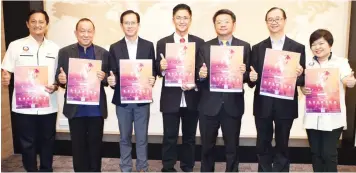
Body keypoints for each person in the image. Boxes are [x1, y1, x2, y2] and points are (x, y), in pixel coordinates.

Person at [1, 10, 59, 172]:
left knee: (48, 140)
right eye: (33, 21)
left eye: (41, 22)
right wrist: (5, 77)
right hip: (24, 104)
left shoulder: (55, 48)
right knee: (27, 142)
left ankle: (46, 169)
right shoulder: (15, 45)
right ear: (27, 24)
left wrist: (55, 85)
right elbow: (6, 69)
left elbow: (58, 76)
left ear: (47, 25)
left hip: (48, 104)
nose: (37, 25)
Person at [248, 7, 305, 172]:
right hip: (263, 103)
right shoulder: (257, 47)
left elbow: (302, 78)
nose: (274, 22)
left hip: (286, 104)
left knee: (282, 143)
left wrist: (299, 75)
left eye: (277, 19)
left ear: (285, 21)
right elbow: (252, 78)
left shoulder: (297, 47)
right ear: (266, 23)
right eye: (270, 19)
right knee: (262, 142)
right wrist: (251, 78)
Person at [196, 9, 251, 172]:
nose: (222, 24)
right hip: (208, 104)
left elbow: (249, 76)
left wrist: (246, 73)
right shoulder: (205, 47)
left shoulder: (244, 47)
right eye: (218, 22)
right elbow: (198, 74)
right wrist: (201, 74)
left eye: (226, 21)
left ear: (233, 24)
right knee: (207, 146)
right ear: (214, 25)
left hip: (232, 105)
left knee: (232, 147)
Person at [55, 18, 110, 172]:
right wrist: (61, 80)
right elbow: (59, 78)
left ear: (93, 33)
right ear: (76, 33)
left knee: (95, 146)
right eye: (82, 31)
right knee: (78, 148)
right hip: (76, 109)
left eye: (89, 31)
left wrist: (104, 77)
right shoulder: (65, 52)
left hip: (96, 109)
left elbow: (109, 79)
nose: (86, 34)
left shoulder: (103, 53)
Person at [155, 4, 204, 172]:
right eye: (179, 17)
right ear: (173, 20)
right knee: (169, 136)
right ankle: (168, 167)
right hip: (171, 97)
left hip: (192, 96)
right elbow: (158, 71)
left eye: (185, 18)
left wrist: (198, 77)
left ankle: (187, 166)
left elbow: (200, 70)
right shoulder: (162, 43)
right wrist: (161, 67)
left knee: (190, 137)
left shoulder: (199, 42)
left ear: (190, 20)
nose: (182, 21)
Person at [107, 10, 156, 172]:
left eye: (132, 22)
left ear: (138, 24)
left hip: (142, 100)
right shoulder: (114, 47)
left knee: (142, 138)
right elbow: (112, 72)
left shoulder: (148, 45)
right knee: (124, 137)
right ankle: (125, 167)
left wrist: (152, 78)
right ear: (122, 25)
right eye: (126, 23)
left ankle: (143, 167)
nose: (130, 26)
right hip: (123, 101)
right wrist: (112, 81)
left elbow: (152, 70)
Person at [301, 29, 356, 172]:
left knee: (328, 153)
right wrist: (303, 89)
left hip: (333, 116)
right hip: (313, 115)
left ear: (330, 44)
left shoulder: (341, 62)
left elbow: (346, 79)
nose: (317, 47)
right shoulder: (308, 64)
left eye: (321, 43)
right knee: (315, 153)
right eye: (313, 44)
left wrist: (350, 81)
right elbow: (303, 85)